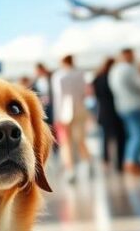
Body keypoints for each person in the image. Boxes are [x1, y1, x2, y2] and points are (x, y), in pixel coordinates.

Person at [109, 48, 140, 176]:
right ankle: (132, 161)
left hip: (122, 107)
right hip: (134, 105)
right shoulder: (129, 69)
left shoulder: (114, 70)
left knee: (133, 134)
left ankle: (133, 160)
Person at [50, 54, 92, 182]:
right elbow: (85, 93)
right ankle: (88, 163)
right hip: (80, 110)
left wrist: (56, 116)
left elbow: (58, 97)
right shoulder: (80, 74)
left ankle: (70, 170)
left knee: (66, 142)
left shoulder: (58, 76)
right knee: (81, 140)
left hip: (63, 112)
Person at [91, 57, 125, 172]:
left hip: (102, 111)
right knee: (119, 137)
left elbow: (95, 96)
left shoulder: (96, 79)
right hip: (114, 111)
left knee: (105, 137)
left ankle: (106, 160)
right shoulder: (112, 78)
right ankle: (119, 163)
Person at [34, 62, 55, 127]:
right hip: (43, 105)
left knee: (52, 122)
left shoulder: (51, 78)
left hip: (52, 104)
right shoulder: (36, 81)